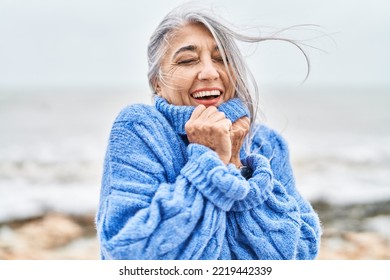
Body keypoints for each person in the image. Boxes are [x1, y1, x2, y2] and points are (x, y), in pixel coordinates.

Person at [95, 4, 321, 260]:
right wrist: (209, 161)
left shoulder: (268, 144)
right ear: (157, 82)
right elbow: (127, 253)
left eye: (221, 59)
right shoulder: (140, 128)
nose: (209, 72)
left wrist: (236, 166)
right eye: (188, 60)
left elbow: (301, 252)